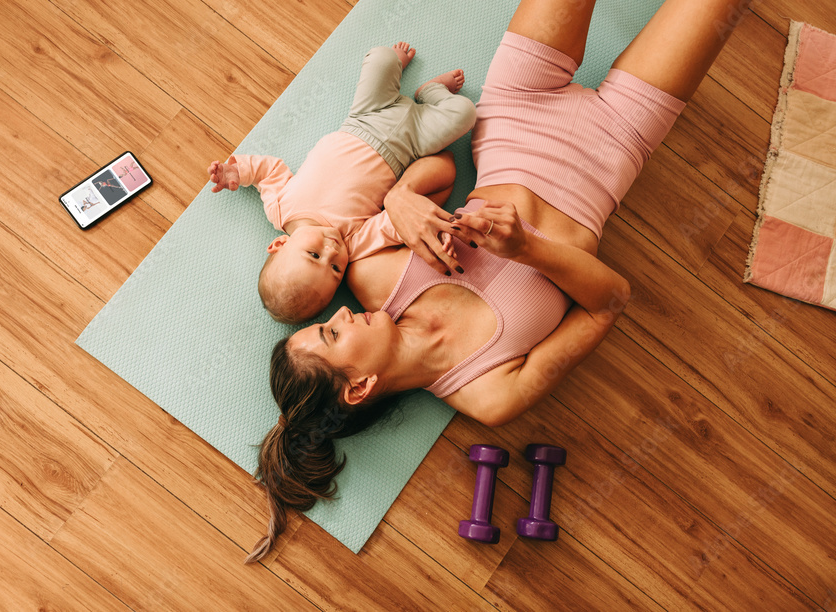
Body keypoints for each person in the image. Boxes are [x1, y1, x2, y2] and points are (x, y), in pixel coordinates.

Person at [243, 0, 752, 564]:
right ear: (359, 386)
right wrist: (529, 249)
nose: (337, 315)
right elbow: (610, 304)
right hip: (616, 145)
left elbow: (426, 178)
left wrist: (398, 198)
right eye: (333, 336)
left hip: (517, 109)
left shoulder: (369, 275)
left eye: (323, 323)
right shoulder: (489, 393)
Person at [207, 42, 476, 324]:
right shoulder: (353, 242)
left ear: (279, 244)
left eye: (313, 254)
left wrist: (237, 171)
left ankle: (394, 70)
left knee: (381, 58)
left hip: (364, 117)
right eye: (336, 269)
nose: (332, 251)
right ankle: (431, 92)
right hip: (409, 146)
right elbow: (394, 223)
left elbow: (269, 171)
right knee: (465, 113)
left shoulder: (279, 207)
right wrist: (434, 233)